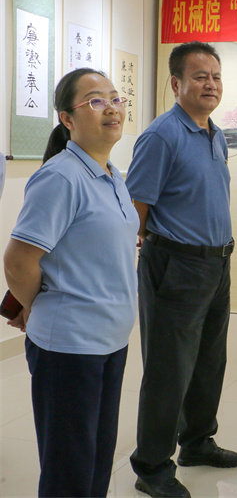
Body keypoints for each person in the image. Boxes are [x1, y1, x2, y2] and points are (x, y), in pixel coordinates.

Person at [4, 68, 138, 497]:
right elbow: (18, 261)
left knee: (96, 461)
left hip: (110, 340)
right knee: (69, 472)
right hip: (70, 346)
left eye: (115, 98)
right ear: (67, 119)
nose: (112, 108)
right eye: (96, 101)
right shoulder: (60, 177)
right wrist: (35, 306)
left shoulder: (112, 174)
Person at [127, 41, 237, 498]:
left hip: (216, 264)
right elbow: (135, 211)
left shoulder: (215, 133)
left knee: (209, 362)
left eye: (216, 76)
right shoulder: (162, 135)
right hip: (175, 265)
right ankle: (152, 466)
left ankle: (197, 441)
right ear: (176, 83)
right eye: (200, 76)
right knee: (168, 370)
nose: (210, 84)